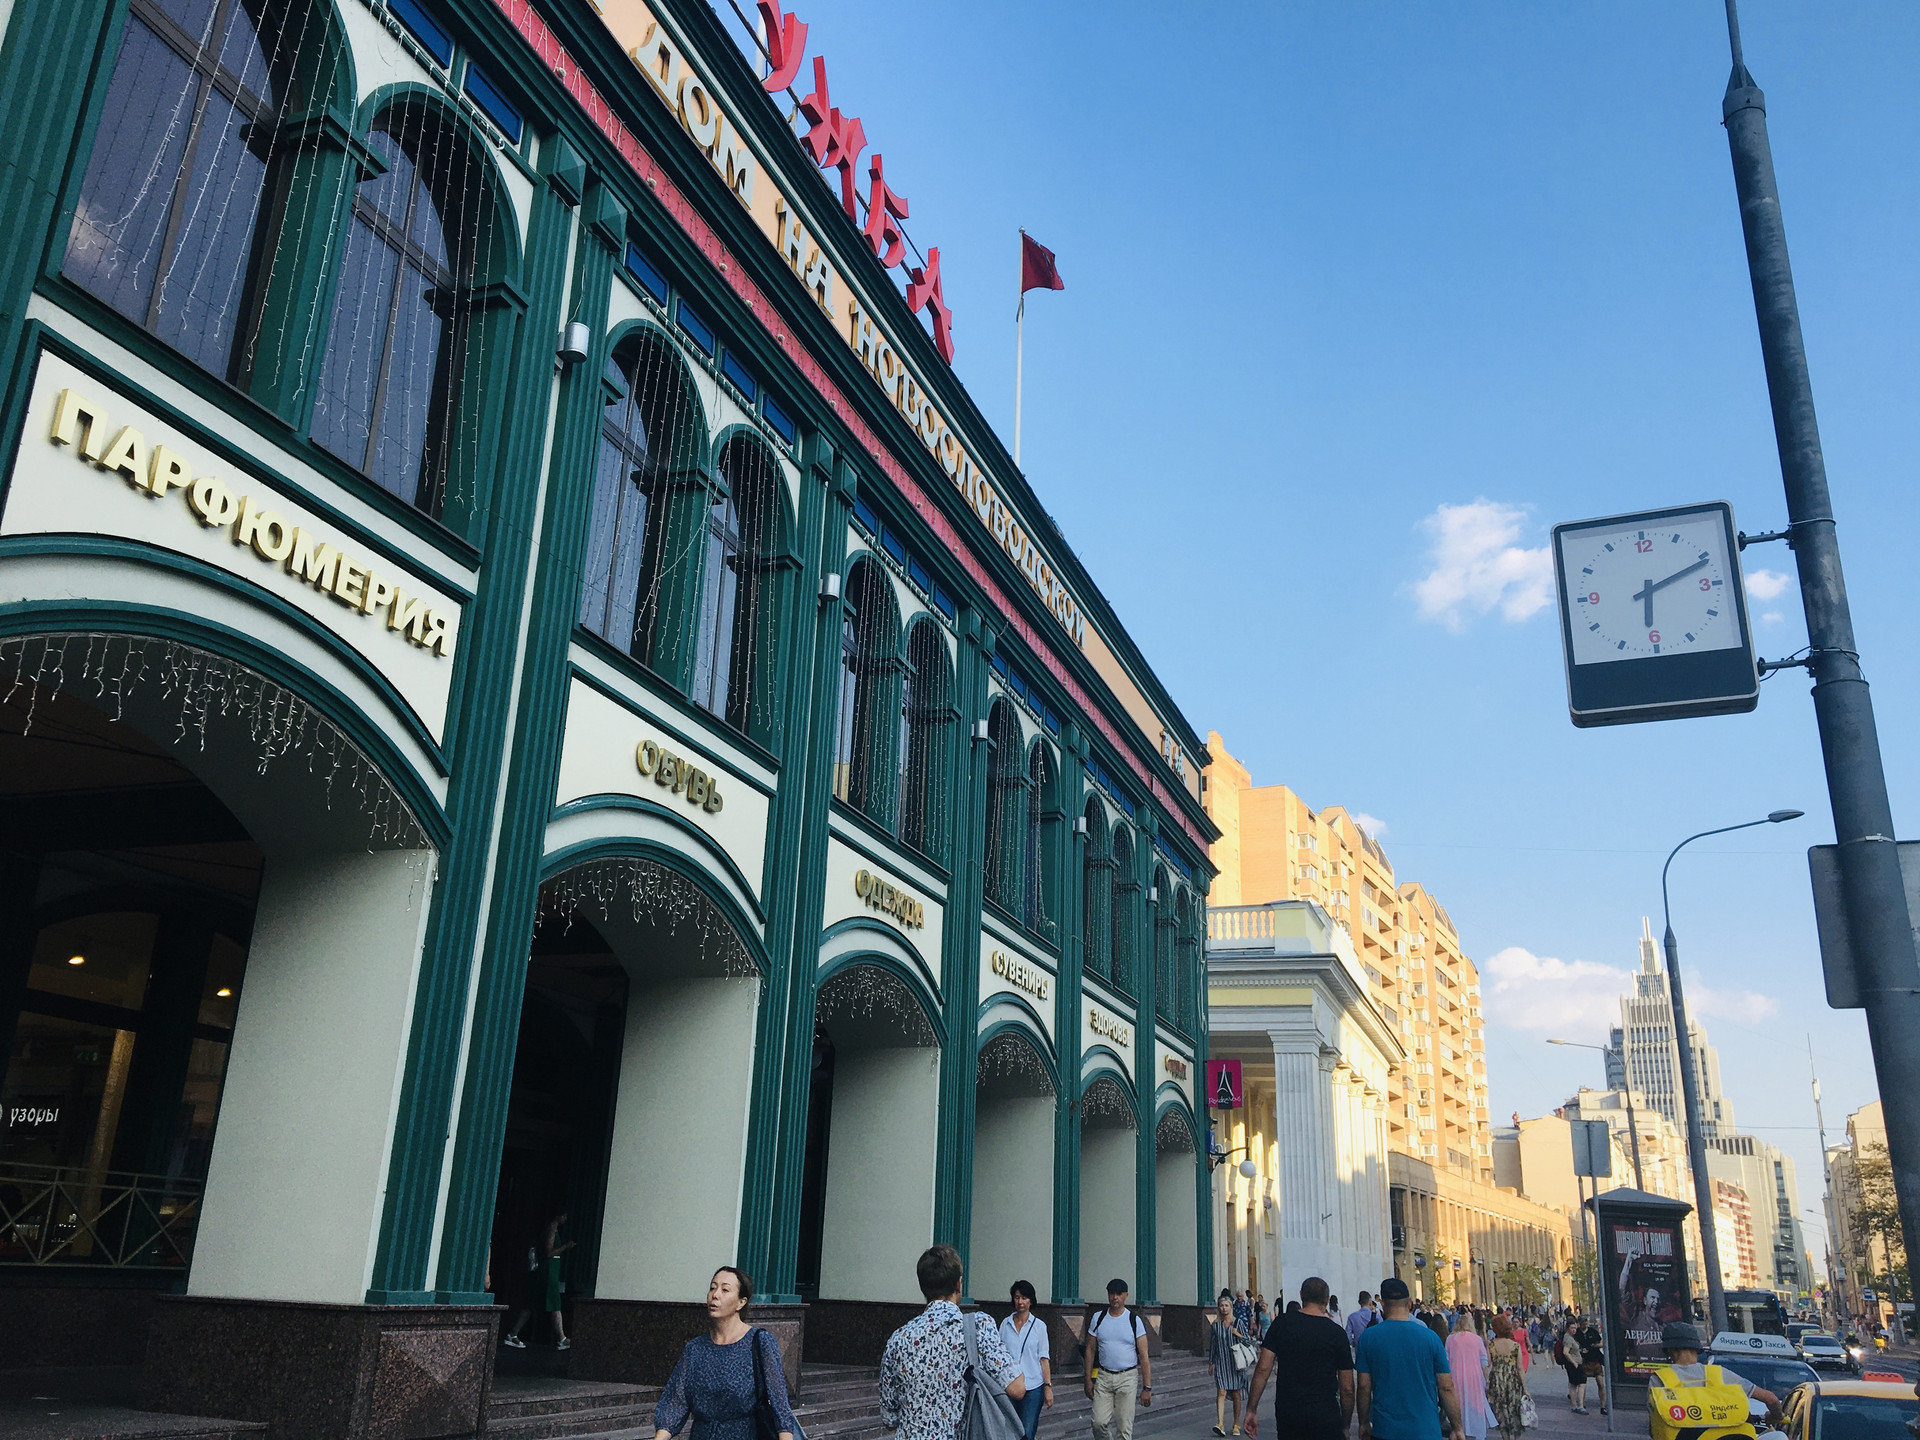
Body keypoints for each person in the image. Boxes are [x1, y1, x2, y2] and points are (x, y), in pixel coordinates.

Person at [880, 1245, 1025, 1440]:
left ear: (923, 1286)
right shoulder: (978, 1327)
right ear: (959, 1284)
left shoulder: (898, 1340)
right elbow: (1017, 1388)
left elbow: (889, 1420)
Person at [653, 1267, 797, 1440]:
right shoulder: (695, 1348)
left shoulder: (761, 1342)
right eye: (712, 1288)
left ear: (741, 1302)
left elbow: (779, 1404)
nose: (715, 1295)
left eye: (725, 1290)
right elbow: (675, 1402)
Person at [1241, 1274, 1353, 1440]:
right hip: (1325, 1414)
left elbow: (1263, 1368)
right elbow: (1347, 1388)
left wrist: (1252, 1409)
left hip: (1289, 1413)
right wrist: (1345, 1425)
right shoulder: (1337, 1333)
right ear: (1327, 1300)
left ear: (1301, 1295)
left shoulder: (1282, 1324)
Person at [1353, 1278, 1463, 1440]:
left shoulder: (1368, 1338)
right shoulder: (1430, 1338)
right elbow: (1446, 1386)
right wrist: (1457, 1427)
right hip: (1426, 1429)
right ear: (1410, 1303)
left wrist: (1363, 1423)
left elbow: (1363, 1386)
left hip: (1386, 1429)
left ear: (1382, 1303)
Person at [1653, 1323, 1780, 1429]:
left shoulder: (1660, 1379)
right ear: (1697, 1348)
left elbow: (1655, 1422)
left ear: (1668, 1350)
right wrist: (1775, 1417)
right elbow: (1771, 1400)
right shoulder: (1718, 1373)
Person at [1082, 1277, 1151, 1440]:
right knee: (1098, 1423)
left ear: (1126, 1296)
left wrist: (1147, 1387)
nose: (1115, 1297)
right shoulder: (1098, 1318)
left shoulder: (1134, 1320)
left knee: (1124, 1427)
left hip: (1127, 1377)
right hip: (1104, 1377)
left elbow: (1144, 1356)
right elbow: (1090, 1349)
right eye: (1112, 1293)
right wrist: (1088, 1379)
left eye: (1119, 1294)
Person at [502, 1209, 573, 1351]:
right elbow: (549, 1252)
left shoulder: (551, 1228)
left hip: (549, 1271)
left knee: (532, 1304)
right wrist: (565, 1246)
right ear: (558, 1215)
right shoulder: (552, 1228)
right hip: (548, 1272)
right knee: (554, 1303)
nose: (565, 1218)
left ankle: (513, 1334)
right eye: (564, 1215)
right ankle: (561, 1338)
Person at [1001, 1280, 1052, 1440]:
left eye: (1024, 1298)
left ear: (1031, 1300)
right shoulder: (1005, 1324)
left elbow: (1044, 1359)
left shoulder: (1039, 1326)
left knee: (1027, 1431)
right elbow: (999, 1355)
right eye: (1017, 1297)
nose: (1020, 1302)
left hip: (1033, 1386)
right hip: (1009, 1385)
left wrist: (1048, 1387)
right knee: (1008, 1431)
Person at [1446, 1312, 1492, 1440]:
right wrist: (1487, 1380)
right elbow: (1484, 1362)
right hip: (1474, 1377)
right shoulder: (1476, 1339)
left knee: (1458, 1404)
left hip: (1456, 1376)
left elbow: (1447, 1360)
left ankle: (1459, 1429)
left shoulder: (1450, 1339)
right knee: (1475, 1404)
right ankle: (1476, 1430)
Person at [1207, 1291, 1247, 1436]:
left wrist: (1238, 1335)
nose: (1224, 1308)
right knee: (1221, 1391)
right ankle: (1220, 1423)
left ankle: (1236, 1424)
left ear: (1231, 1307)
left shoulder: (1238, 1323)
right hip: (1221, 1362)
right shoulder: (1216, 1325)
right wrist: (1211, 1362)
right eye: (1221, 1306)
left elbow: (1248, 1342)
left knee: (1236, 1393)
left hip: (1235, 1363)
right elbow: (1213, 1345)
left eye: (1226, 1305)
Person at [1485, 1317, 1528, 1440]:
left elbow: (1487, 1363)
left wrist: (1487, 1382)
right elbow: (1520, 1368)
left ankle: (1505, 1437)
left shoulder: (1491, 1345)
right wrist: (1525, 1388)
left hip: (1497, 1381)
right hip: (1512, 1381)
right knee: (1515, 1411)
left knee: (1500, 1412)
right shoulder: (1515, 1346)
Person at [1573, 1314, 1606, 1415]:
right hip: (1583, 1362)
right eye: (1583, 1322)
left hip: (1595, 1360)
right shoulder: (1577, 1334)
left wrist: (1593, 1346)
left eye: (1586, 1321)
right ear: (1579, 1323)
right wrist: (1580, 1350)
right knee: (1582, 1385)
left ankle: (1603, 1406)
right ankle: (1582, 1404)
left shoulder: (1593, 1332)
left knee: (1601, 1383)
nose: (1585, 1323)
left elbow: (1601, 1343)